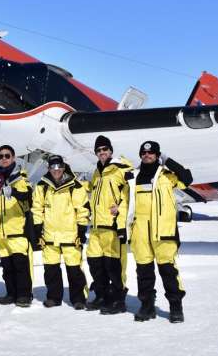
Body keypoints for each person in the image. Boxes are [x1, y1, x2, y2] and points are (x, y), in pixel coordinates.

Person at [130, 141, 192, 323]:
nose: (147, 155)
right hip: (140, 232)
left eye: (151, 153)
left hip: (163, 233)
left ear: (157, 155)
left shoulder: (167, 176)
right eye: (144, 153)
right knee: (144, 273)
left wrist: (168, 161)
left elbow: (187, 178)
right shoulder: (133, 177)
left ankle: (176, 307)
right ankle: (147, 306)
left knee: (168, 272)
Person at [32, 155, 89, 310]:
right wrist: (38, 230)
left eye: (58, 167)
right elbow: (37, 209)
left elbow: (82, 210)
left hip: (70, 236)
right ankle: (53, 297)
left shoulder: (75, 186)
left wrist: (81, 230)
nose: (56, 171)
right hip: (49, 236)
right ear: (48, 169)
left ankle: (78, 298)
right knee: (51, 270)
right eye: (53, 167)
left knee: (74, 269)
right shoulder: (42, 186)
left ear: (63, 167)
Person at [85, 135, 134, 314]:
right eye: (98, 150)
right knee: (95, 263)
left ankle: (119, 301)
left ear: (111, 151)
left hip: (113, 228)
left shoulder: (121, 169)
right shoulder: (97, 172)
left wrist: (122, 222)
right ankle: (102, 295)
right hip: (97, 227)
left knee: (115, 267)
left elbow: (129, 197)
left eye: (105, 149)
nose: (102, 152)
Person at [0, 144, 34, 308]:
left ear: (13, 157)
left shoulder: (20, 177)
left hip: (17, 230)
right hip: (1, 232)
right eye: (1, 156)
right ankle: (11, 293)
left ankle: (24, 295)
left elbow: (28, 197)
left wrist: (13, 192)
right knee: (7, 267)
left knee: (21, 266)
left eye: (7, 156)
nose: (4, 159)